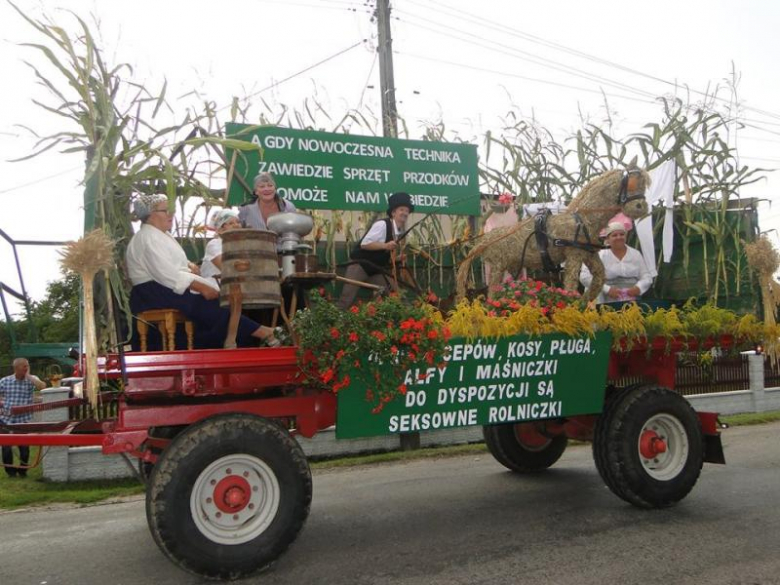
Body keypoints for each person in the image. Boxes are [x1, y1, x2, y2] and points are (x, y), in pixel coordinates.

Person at [126, 194, 278, 350]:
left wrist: (189, 265)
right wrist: (202, 287)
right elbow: (167, 274)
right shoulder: (148, 237)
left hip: (165, 288)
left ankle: (255, 335)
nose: (171, 214)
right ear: (151, 215)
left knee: (218, 304)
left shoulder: (160, 236)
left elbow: (172, 265)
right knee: (209, 306)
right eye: (166, 211)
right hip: (153, 293)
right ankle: (263, 332)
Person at [337, 192, 413, 310]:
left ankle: (409, 320)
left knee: (396, 294)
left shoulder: (397, 232)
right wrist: (386, 246)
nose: (405, 213)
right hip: (360, 265)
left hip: (376, 269)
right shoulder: (382, 225)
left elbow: (383, 255)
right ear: (393, 212)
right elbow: (365, 244)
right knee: (346, 300)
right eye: (401, 210)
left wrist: (397, 259)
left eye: (407, 210)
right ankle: (331, 326)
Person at [580, 221, 653, 304]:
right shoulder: (598, 255)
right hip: (603, 298)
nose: (619, 237)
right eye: (614, 235)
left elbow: (646, 276)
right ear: (607, 239)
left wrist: (638, 288)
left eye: (622, 234)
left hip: (631, 299)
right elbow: (584, 277)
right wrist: (607, 290)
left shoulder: (635, 254)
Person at [0, 358, 46, 478]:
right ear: (16, 368)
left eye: (27, 366)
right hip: (6, 418)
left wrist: (29, 376)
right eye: (23, 366)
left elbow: (43, 387)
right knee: (6, 447)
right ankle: (10, 472)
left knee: (24, 447)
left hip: (24, 419)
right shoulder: (5, 381)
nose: (26, 368)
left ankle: (22, 471)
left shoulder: (32, 380)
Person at [201, 208, 241, 283]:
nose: (236, 225)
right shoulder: (214, 244)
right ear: (220, 230)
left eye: (238, 222)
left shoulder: (239, 245)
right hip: (213, 287)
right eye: (231, 223)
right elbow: (227, 269)